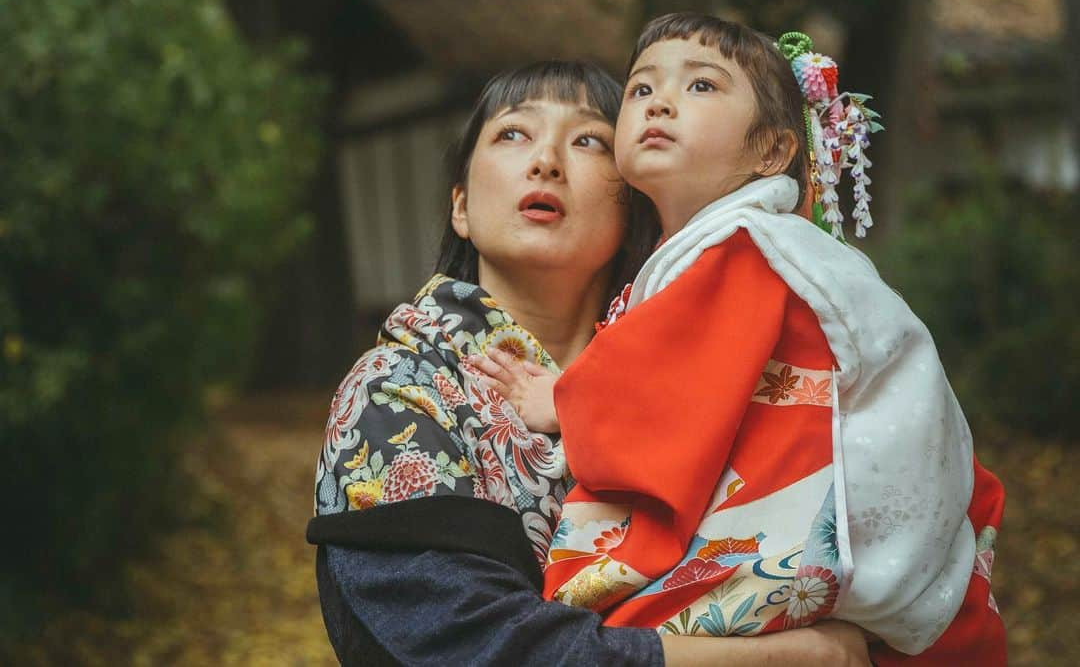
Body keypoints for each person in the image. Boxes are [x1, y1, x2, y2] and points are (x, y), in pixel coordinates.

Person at [308, 59, 874, 666]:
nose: (546, 160)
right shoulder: (397, 391)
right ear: (462, 207)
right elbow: (468, 644)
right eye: (513, 134)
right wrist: (794, 660)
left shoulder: (718, 380)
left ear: (634, 206)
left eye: (588, 141)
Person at [476, 19, 1005, 664]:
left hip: (802, 522)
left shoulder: (748, 245)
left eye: (701, 86)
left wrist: (564, 400)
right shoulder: (725, 247)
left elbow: (681, 378)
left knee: (624, 631)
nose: (659, 102)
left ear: (772, 151)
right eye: (641, 90)